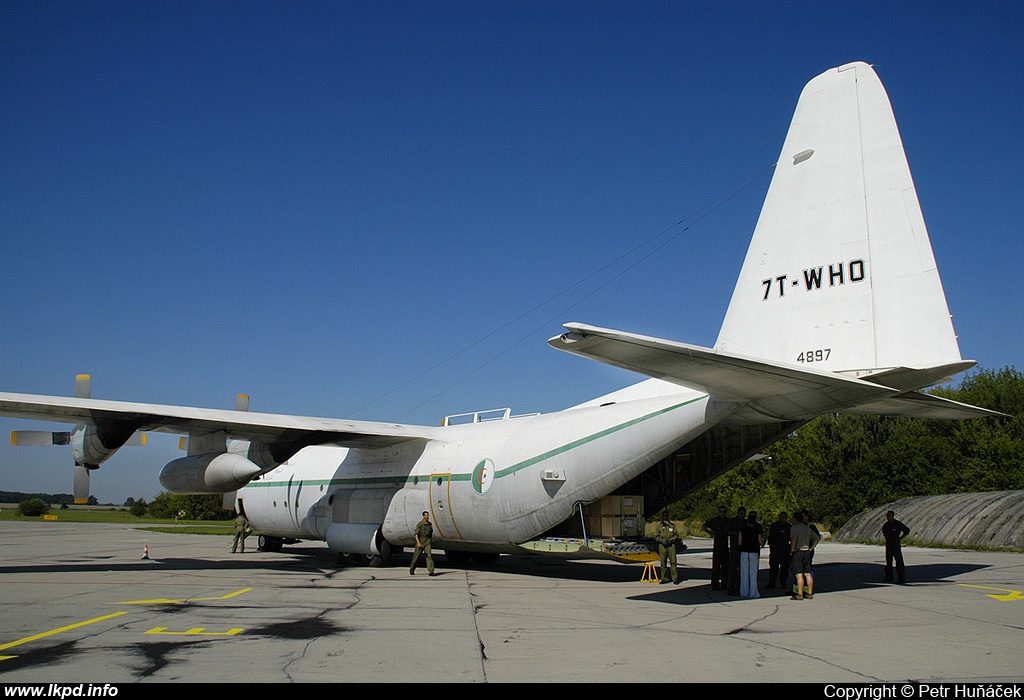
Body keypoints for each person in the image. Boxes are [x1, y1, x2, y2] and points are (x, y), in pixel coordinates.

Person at [789, 509, 820, 600]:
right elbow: (817, 537)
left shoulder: (794, 528)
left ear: (795, 519)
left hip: (798, 552)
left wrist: (792, 549)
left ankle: (799, 594)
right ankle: (809, 593)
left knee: (799, 574)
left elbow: (793, 538)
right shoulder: (807, 528)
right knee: (807, 573)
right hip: (806, 551)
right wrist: (811, 547)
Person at [737, 511, 764, 598]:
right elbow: (761, 543)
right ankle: (753, 592)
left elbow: (739, 542)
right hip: (754, 552)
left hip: (744, 552)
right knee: (753, 573)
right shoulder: (757, 531)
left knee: (744, 572)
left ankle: (744, 592)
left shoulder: (742, 530)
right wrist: (766, 538)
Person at [702, 506, 730, 590]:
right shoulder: (714, 520)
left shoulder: (728, 521)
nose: (723, 513)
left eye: (724, 512)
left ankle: (724, 584)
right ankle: (715, 584)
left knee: (725, 566)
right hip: (717, 544)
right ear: (719, 512)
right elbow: (703, 526)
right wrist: (710, 533)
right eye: (721, 512)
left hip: (725, 544)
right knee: (716, 566)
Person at [881, 510, 910, 584]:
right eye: (887, 515)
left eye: (889, 515)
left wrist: (900, 538)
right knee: (888, 561)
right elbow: (884, 533)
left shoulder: (897, 524)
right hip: (889, 545)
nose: (888, 517)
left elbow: (906, 530)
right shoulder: (886, 525)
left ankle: (901, 577)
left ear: (893, 516)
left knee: (899, 561)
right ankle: (889, 577)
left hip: (896, 545)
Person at [766, 511, 791, 589]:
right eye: (781, 516)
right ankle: (771, 583)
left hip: (784, 551)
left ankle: (783, 582)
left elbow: (791, 538)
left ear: (786, 518)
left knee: (785, 568)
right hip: (774, 550)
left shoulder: (788, 527)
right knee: (773, 568)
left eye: (784, 517)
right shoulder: (774, 525)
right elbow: (770, 536)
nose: (782, 518)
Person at [656, 511, 681, 584]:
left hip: (671, 545)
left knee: (673, 562)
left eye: (666, 516)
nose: (665, 517)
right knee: (663, 563)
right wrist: (661, 540)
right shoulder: (659, 526)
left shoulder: (672, 526)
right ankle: (664, 578)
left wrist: (672, 539)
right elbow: (656, 536)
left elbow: (676, 534)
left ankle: (675, 578)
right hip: (662, 545)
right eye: (664, 516)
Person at [726, 506, 746, 595]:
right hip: (734, 548)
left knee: (742, 569)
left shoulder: (745, 523)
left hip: (743, 548)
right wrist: (734, 533)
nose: (742, 516)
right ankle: (731, 588)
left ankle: (739, 587)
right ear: (738, 513)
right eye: (741, 514)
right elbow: (726, 532)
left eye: (744, 514)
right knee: (733, 569)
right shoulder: (732, 521)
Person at [410, 511, 436, 576]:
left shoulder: (430, 524)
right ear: (424, 516)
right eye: (427, 515)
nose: (428, 517)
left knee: (429, 556)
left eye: (428, 515)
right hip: (420, 541)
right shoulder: (420, 524)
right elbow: (416, 534)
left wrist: (429, 541)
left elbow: (430, 533)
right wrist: (418, 543)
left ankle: (431, 571)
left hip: (427, 542)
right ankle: (412, 569)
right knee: (416, 556)